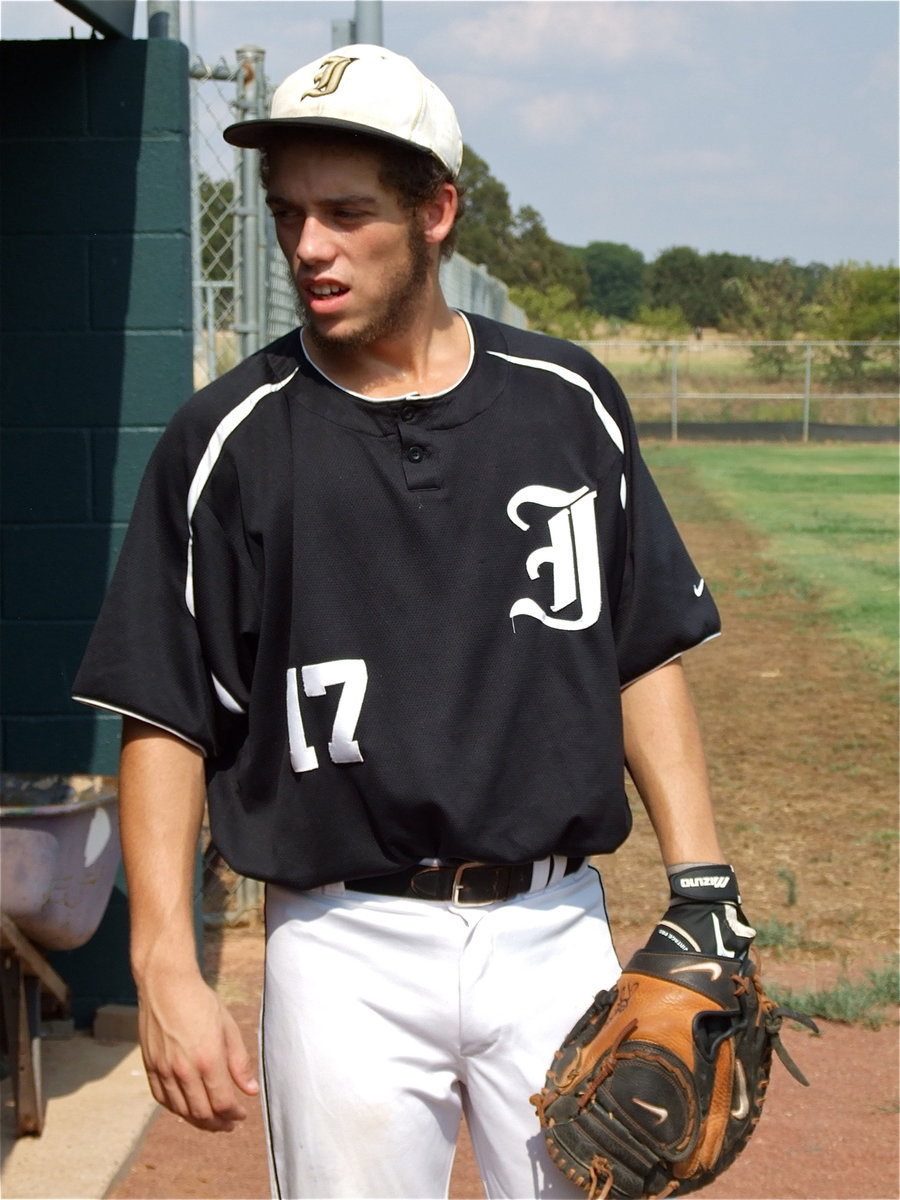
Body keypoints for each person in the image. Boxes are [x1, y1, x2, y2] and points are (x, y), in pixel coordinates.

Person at [73, 44, 753, 1200]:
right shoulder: (227, 443)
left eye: (347, 213)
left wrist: (702, 890)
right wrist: (165, 967)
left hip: (551, 931)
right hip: (343, 945)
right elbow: (164, 713)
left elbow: (639, 652)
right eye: (290, 214)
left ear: (436, 210)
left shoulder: (567, 403)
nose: (309, 247)